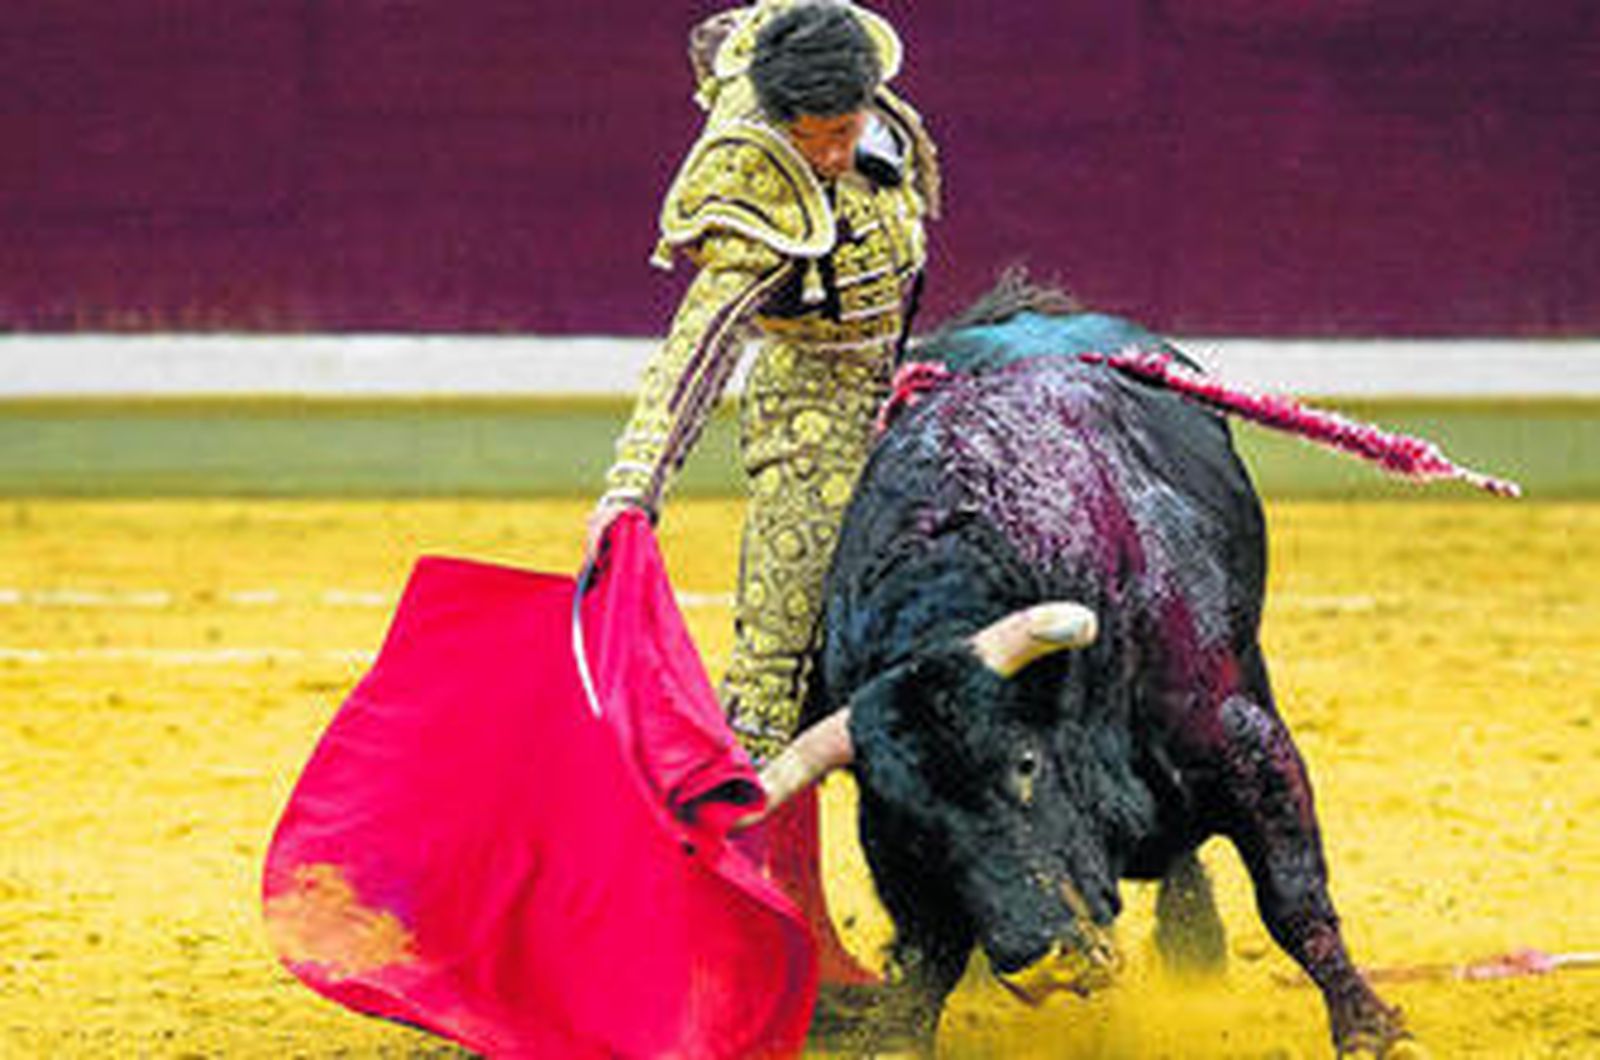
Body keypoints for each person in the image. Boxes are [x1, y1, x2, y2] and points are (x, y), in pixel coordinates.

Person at [586, 0, 941, 764]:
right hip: (813, 405)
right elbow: (696, 350)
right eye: (807, 141)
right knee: (779, 643)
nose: (830, 159)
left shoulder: (864, 103)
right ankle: (747, 788)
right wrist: (632, 487)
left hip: (913, 375)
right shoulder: (757, 191)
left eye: (843, 133)